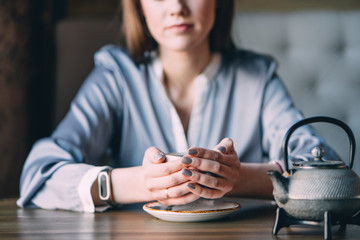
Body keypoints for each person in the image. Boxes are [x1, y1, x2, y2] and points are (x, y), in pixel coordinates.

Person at [17, 0, 338, 212]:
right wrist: (138, 182)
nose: (177, 7)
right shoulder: (116, 75)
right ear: (139, 6)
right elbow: (38, 175)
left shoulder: (259, 78)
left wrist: (236, 178)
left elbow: (330, 177)